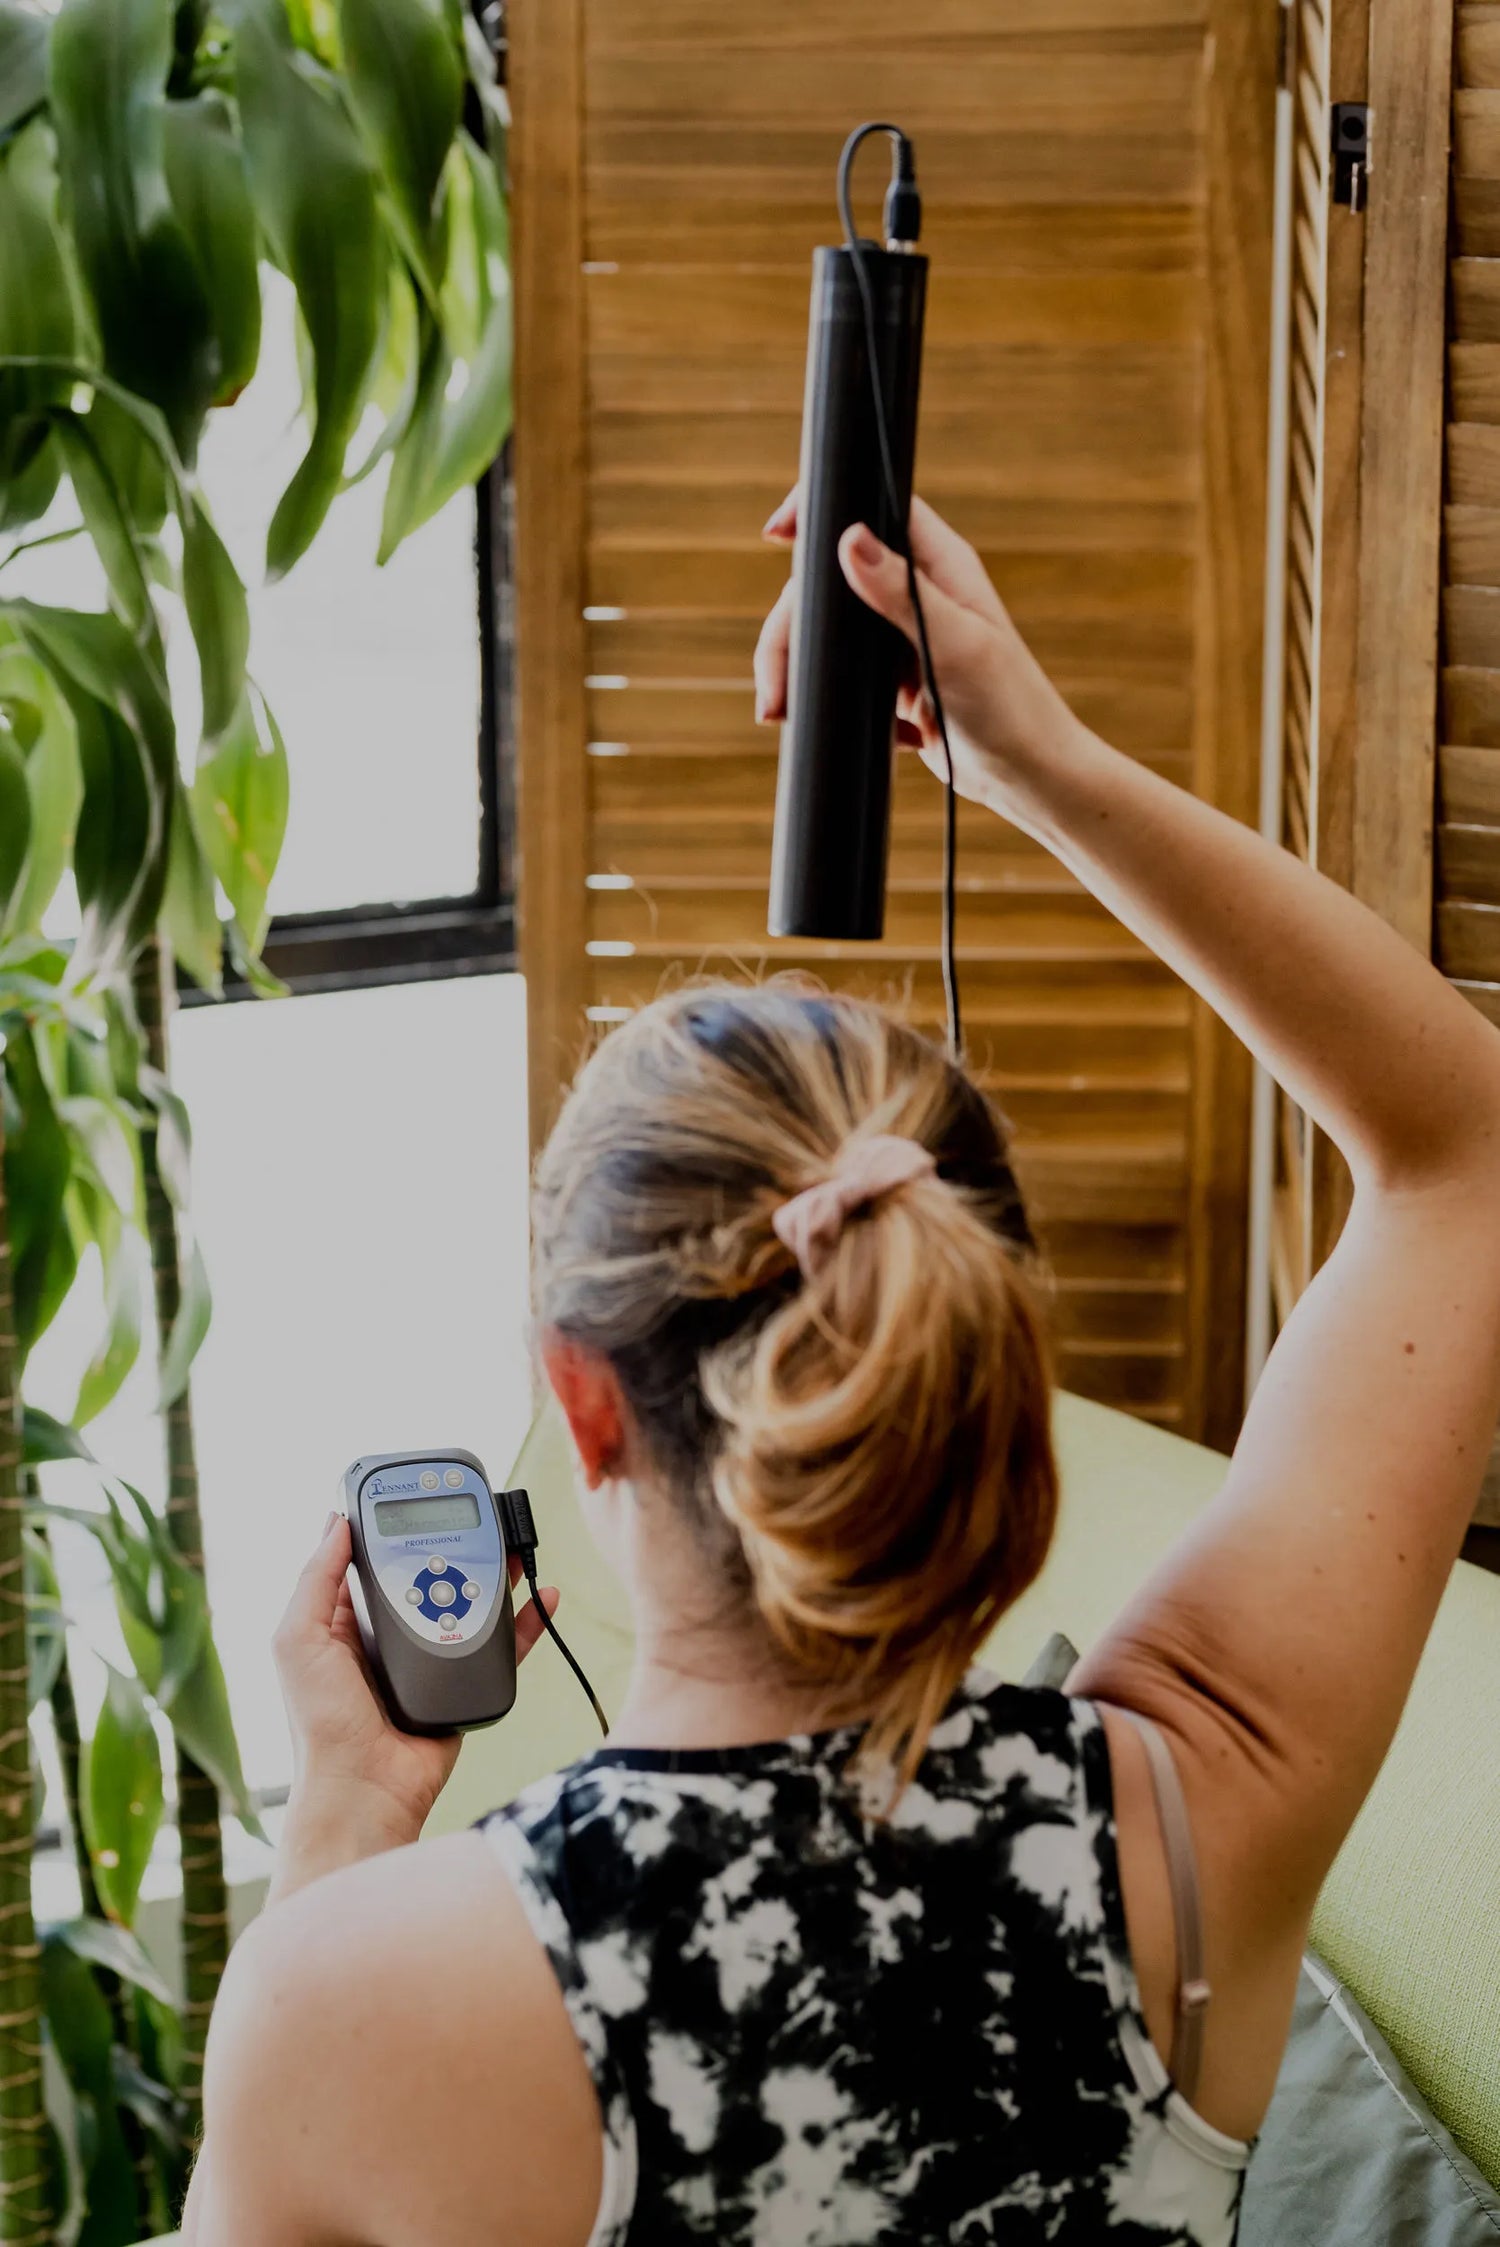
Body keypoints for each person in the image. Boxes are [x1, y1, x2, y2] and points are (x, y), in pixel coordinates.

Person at [181, 497, 1500, 2247]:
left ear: (584, 1405)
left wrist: (351, 1802)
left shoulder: (352, 2009)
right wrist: (1039, 759)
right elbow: (1463, 1150)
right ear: (981, 1365)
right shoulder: (1196, 1812)